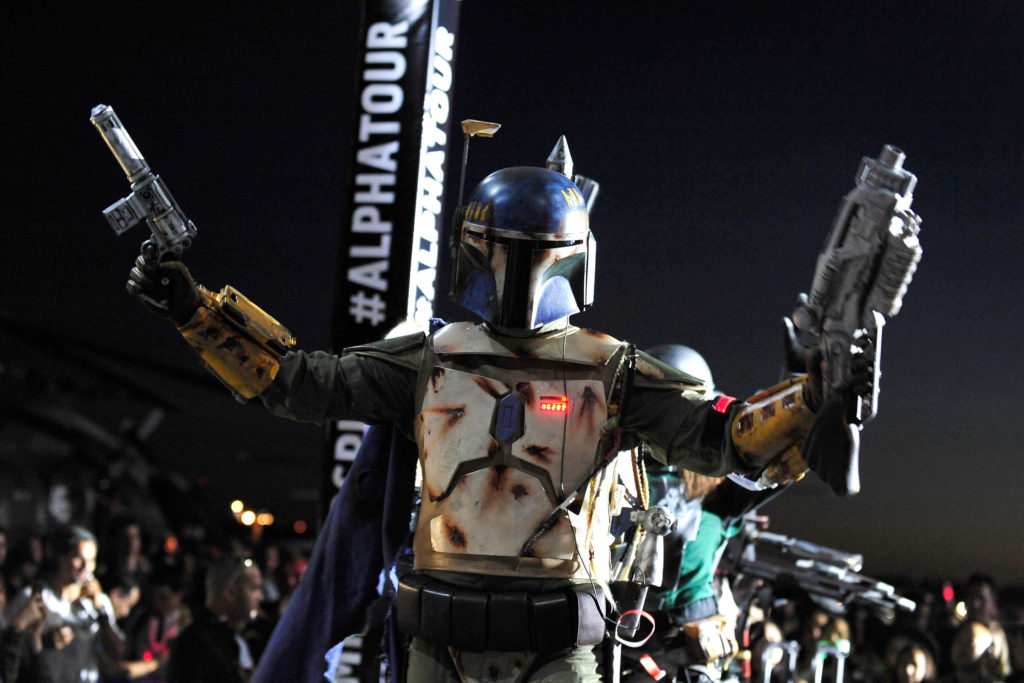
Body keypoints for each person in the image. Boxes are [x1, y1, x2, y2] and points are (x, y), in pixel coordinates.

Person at [126, 140, 869, 682]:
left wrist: (811, 395)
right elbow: (728, 441)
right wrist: (196, 311)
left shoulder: (541, 363)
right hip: (453, 635)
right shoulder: (474, 358)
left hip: (542, 642)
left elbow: (725, 441)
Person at [4, 525, 125, 683]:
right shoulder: (36, 598)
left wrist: (100, 610)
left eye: (91, 560)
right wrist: (42, 641)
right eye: (78, 558)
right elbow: (8, 643)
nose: (85, 567)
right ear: (61, 556)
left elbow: (117, 651)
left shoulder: (98, 602)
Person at [165, 555, 263, 683]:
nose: (260, 597)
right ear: (230, 593)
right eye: (254, 589)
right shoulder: (196, 645)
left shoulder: (235, 640)